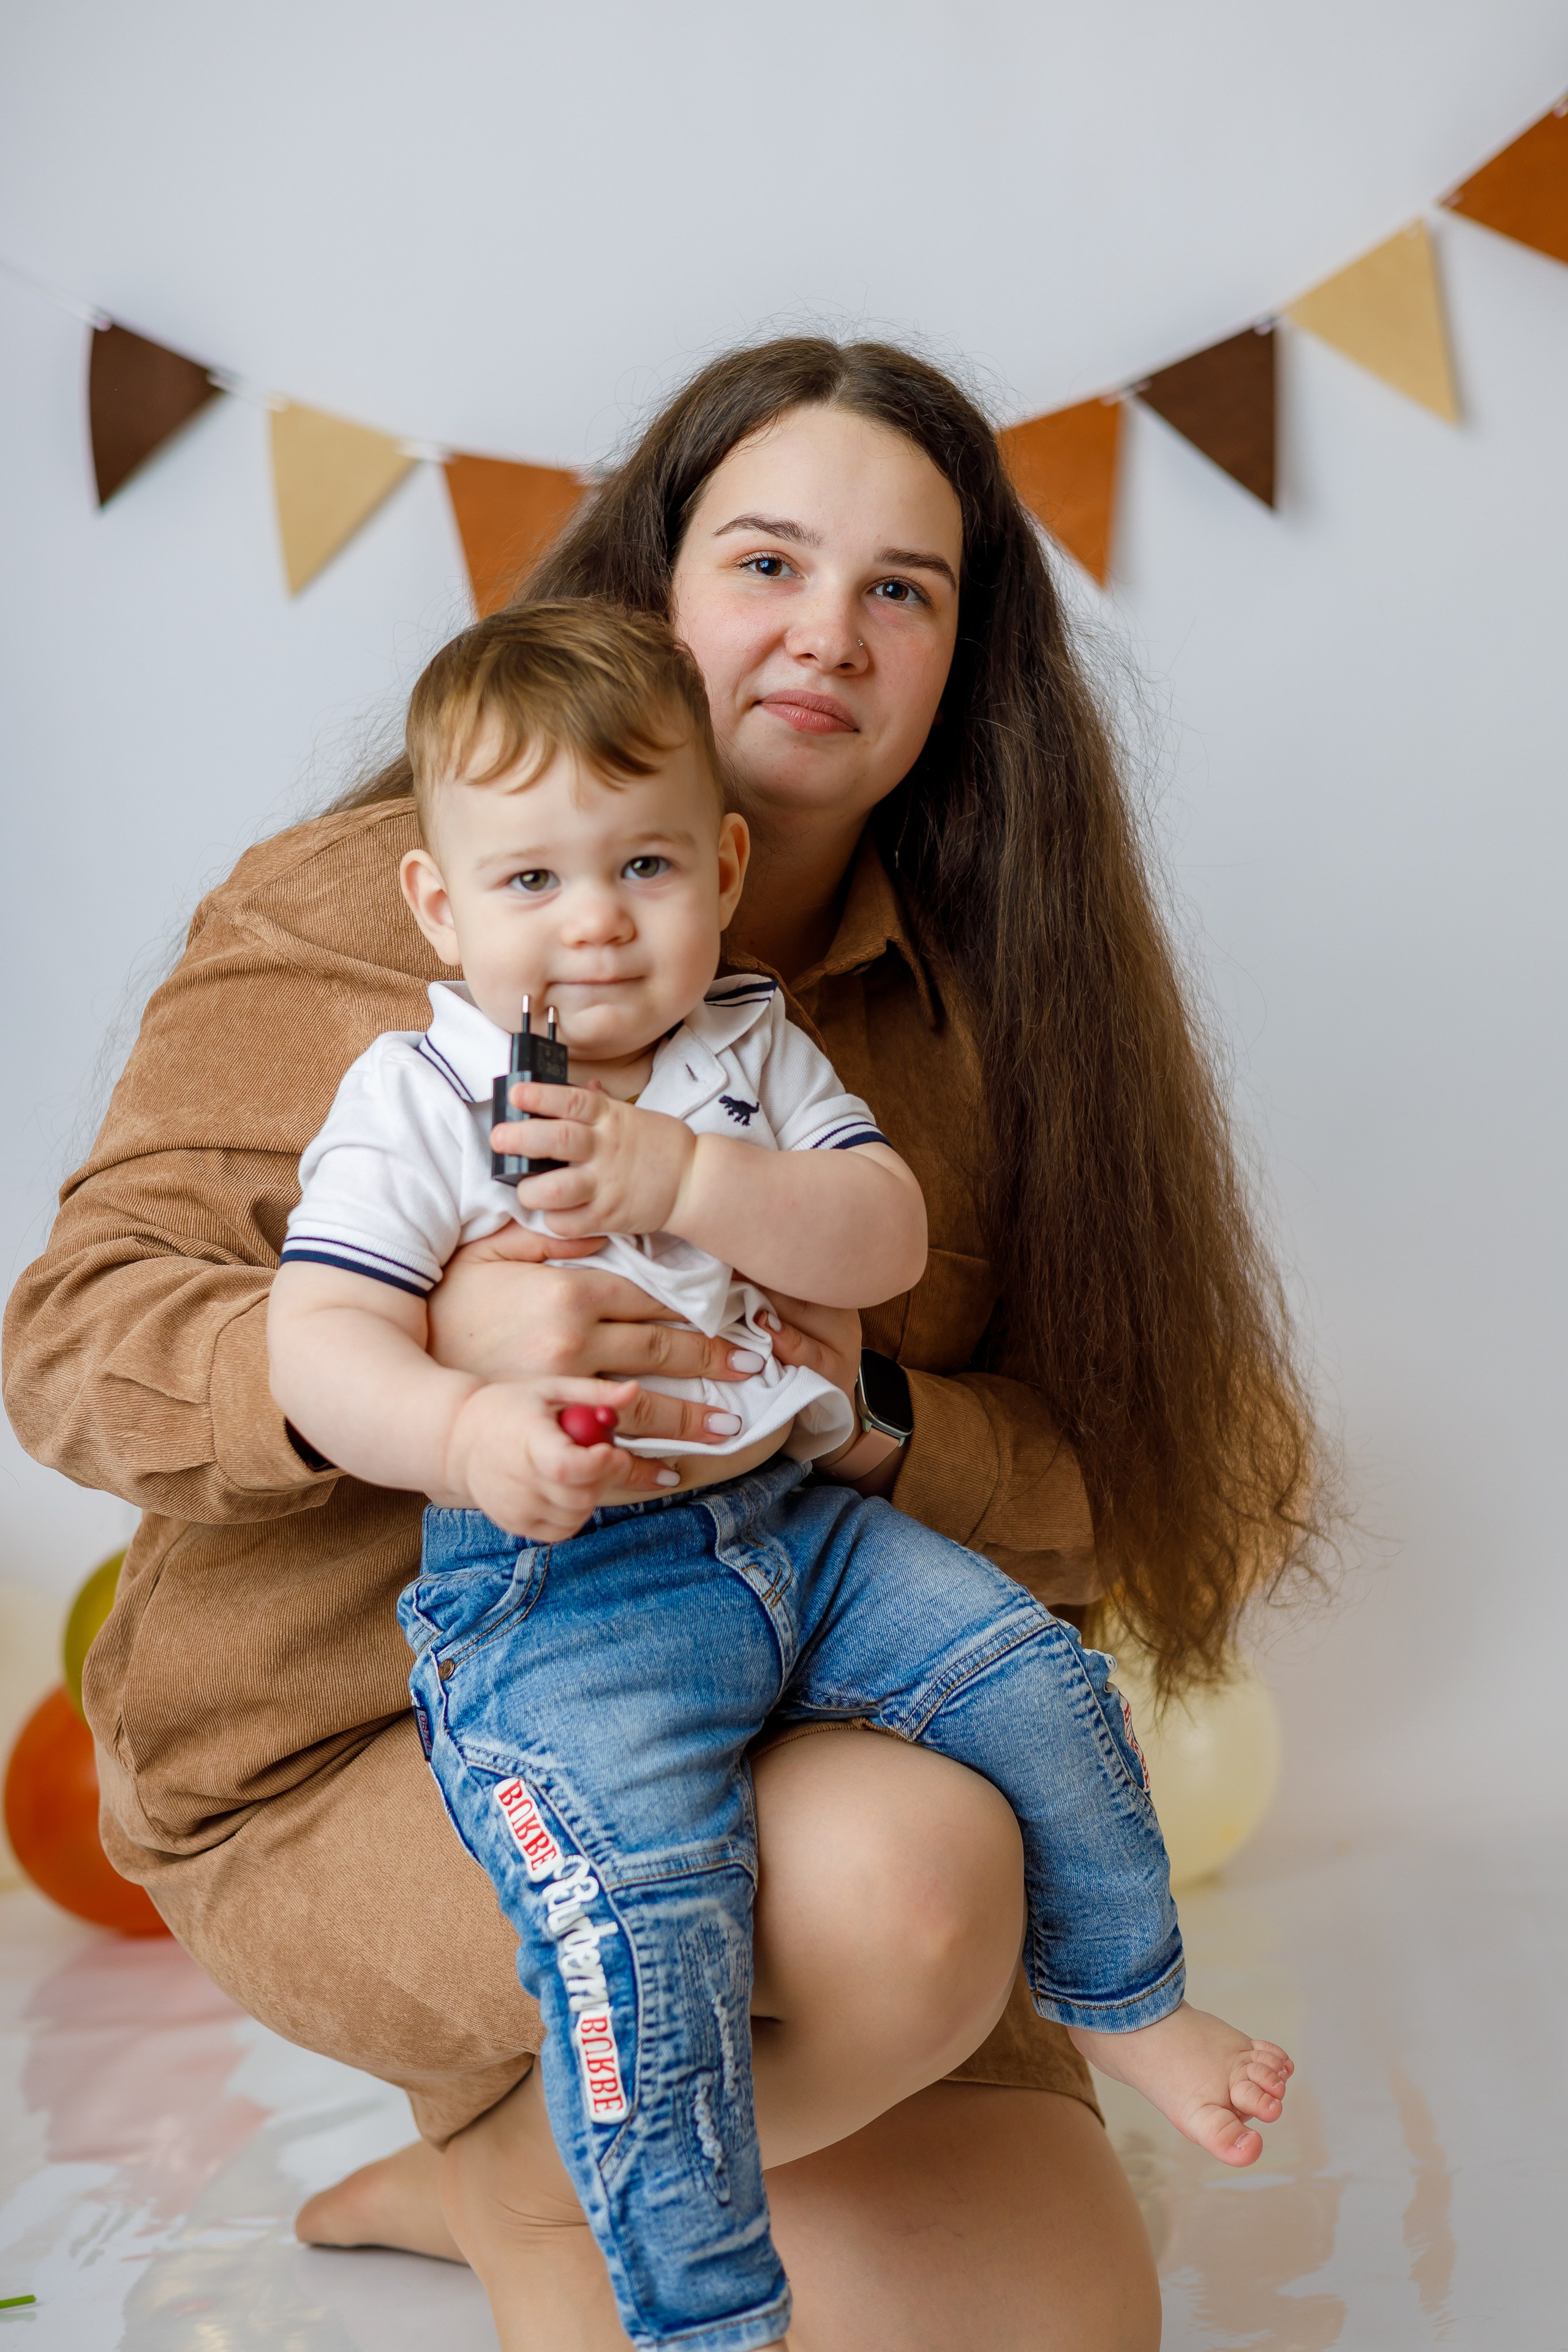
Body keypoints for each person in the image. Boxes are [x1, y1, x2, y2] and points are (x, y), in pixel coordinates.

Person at [4, 337, 1322, 2352]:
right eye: (768, 562)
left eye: (905, 589)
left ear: (966, 664)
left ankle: (510, 2179)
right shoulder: (381, 918)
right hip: (398, 1729)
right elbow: (75, 1342)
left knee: (1062, 2321)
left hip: (816, 1661)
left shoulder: (986, 1001)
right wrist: (431, 1353)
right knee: (903, 1890)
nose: (827, 634)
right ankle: (565, 2170)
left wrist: (873, 1413)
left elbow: (1141, 1487)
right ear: (648, 595)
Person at [266, 598, 1292, 2352]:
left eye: (644, 868)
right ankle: (703, 2311)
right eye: (531, 884)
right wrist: (458, 1429)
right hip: (566, 1598)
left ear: (724, 869)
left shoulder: (745, 1053)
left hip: (796, 1536)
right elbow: (314, 1343)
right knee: (643, 1928)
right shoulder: (420, 1096)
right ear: (439, 905)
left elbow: (877, 1234)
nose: (595, 924)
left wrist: (683, 1173)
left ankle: (1130, 2006)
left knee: (1028, 1676)